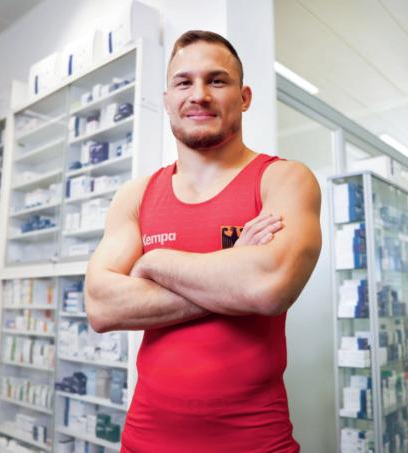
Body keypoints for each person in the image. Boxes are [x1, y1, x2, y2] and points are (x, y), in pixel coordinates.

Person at [85, 30, 322, 453]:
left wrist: (154, 262)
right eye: (184, 82)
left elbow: (270, 286)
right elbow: (101, 306)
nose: (199, 95)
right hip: (143, 441)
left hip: (255, 443)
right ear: (167, 100)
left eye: (216, 80)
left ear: (244, 97)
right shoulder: (136, 196)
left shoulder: (283, 179)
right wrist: (232, 271)